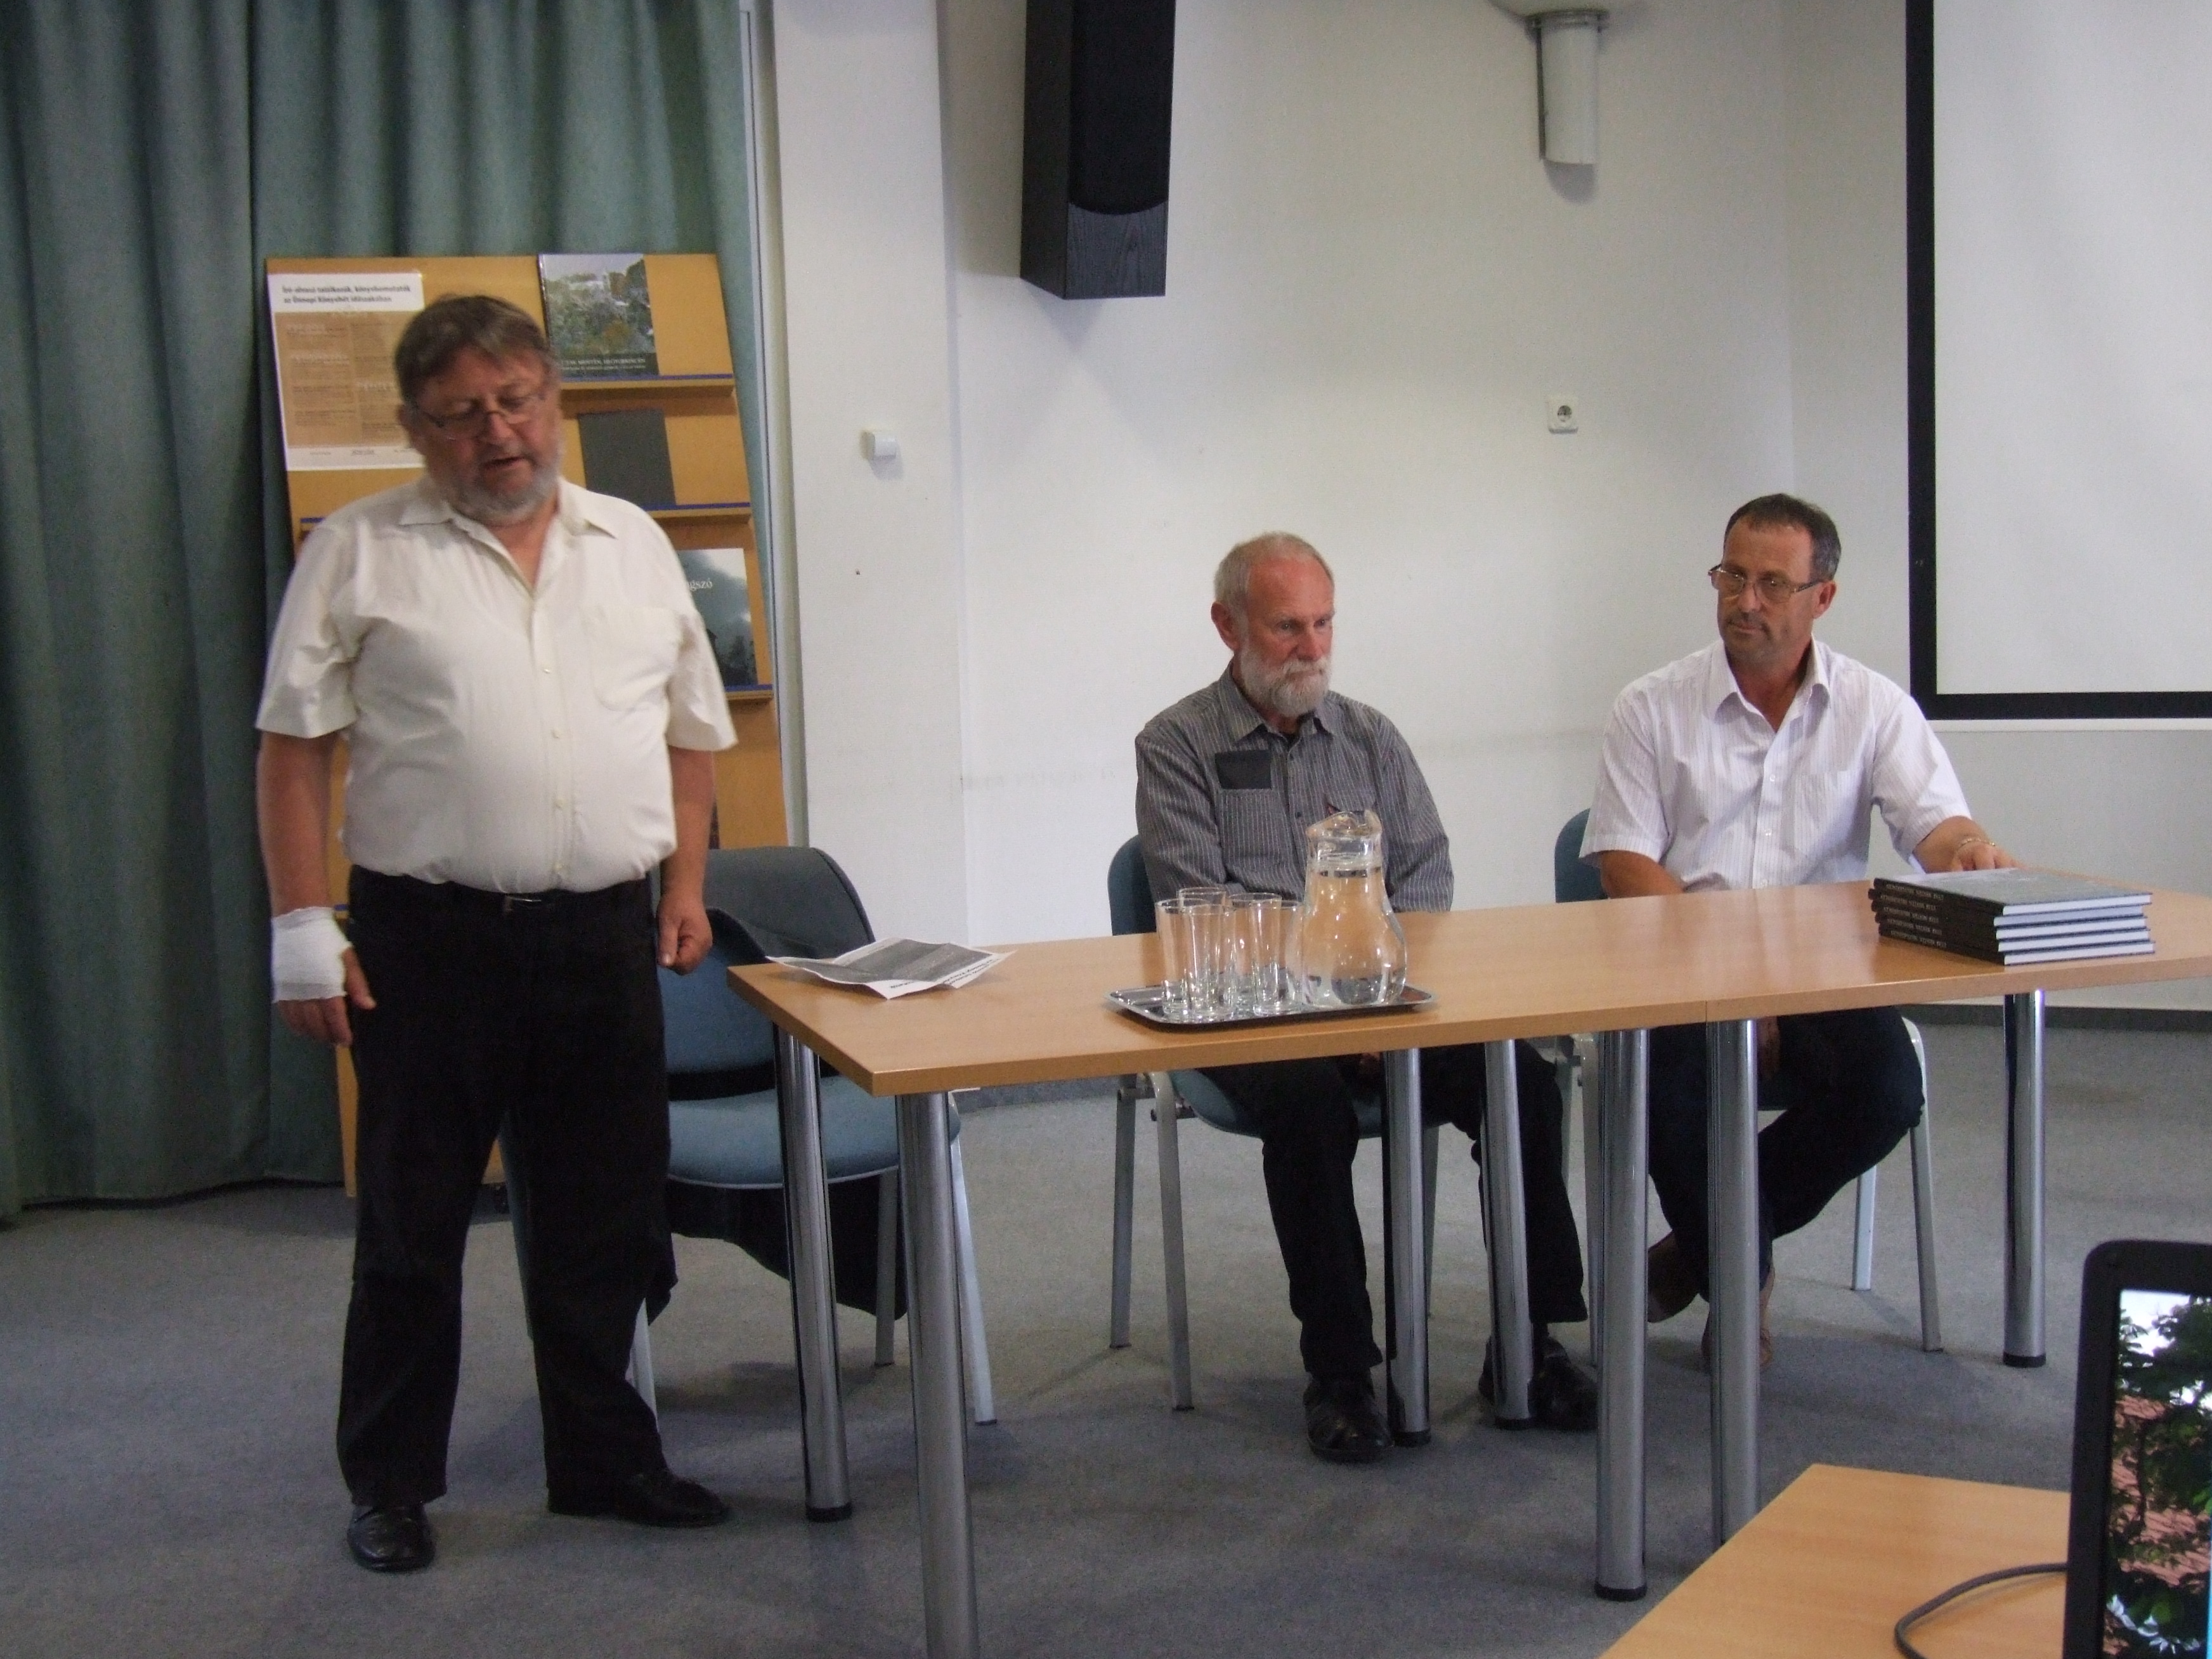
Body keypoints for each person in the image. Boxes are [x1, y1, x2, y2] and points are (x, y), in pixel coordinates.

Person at [255, 294, 738, 1573]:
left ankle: (603, 1461)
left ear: (553, 400)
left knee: (603, 1218)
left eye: (516, 400)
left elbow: (691, 735)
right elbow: (293, 750)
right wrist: (301, 929)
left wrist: (686, 887)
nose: (498, 431)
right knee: (412, 1227)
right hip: (430, 943)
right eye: (462, 413)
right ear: (416, 429)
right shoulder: (358, 551)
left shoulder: (634, 543)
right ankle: (390, 1485)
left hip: (604, 937)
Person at [1136, 533, 1596, 1463]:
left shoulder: (1371, 737)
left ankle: (1529, 1340)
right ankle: (1342, 1369)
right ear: (1228, 626)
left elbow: (1426, 875)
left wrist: (1373, 998)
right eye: (1287, 628)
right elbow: (1207, 905)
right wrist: (1330, 997)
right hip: (1254, 1012)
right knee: (1309, 1108)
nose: (1311, 648)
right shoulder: (1176, 745)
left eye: (1323, 624)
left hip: (1384, 1002)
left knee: (1520, 1081)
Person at [1582, 493, 2016, 1364]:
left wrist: (1968, 849)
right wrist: (1734, 986)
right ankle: (1742, 1281)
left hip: (1823, 975)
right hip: (1684, 974)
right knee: (1666, 1088)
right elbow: (1624, 865)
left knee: (1887, 1088)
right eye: (1732, 577)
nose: (1746, 602)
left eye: (1773, 584)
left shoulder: (1873, 706)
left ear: (1823, 597)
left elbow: (1938, 827)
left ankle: (1711, 1249)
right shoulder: (1651, 707)